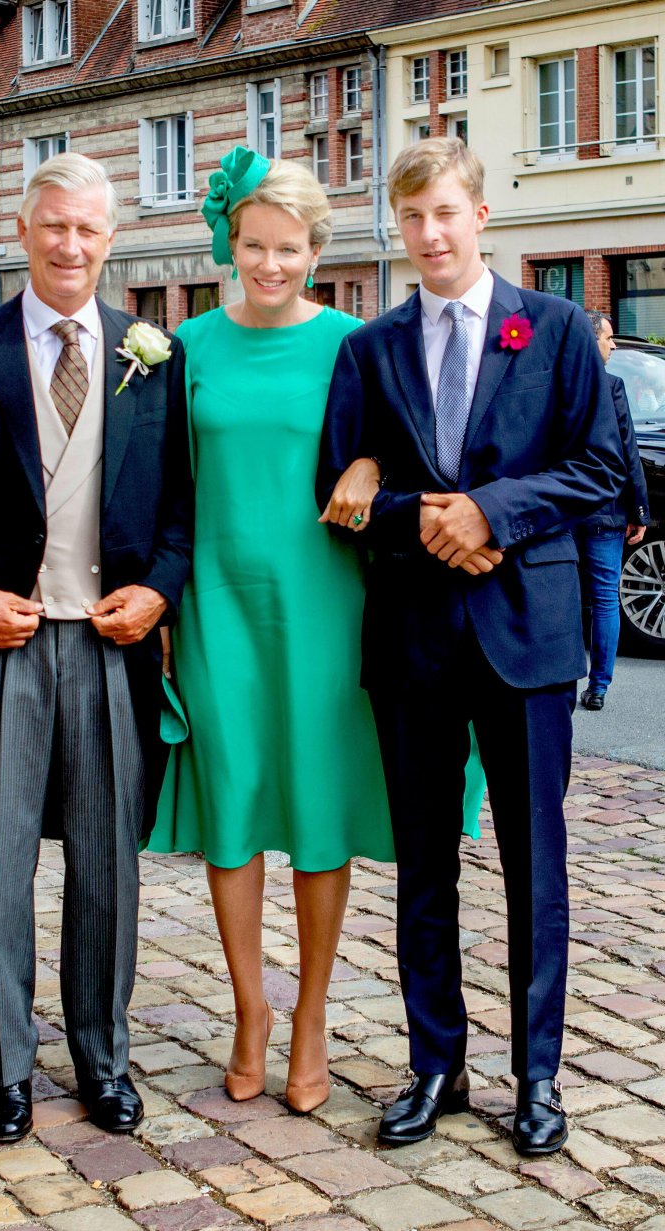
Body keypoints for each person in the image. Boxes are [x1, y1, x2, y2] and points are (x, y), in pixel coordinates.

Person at [148, 146, 484, 1115]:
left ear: (314, 249)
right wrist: (161, 601)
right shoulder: (187, 347)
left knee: (316, 808)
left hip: (326, 603)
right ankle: (251, 1009)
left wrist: (374, 465)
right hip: (216, 602)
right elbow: (161, 481)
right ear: (231, 244)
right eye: (254, 246)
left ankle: (311, 1016)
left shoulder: (357, 343)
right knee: (236, 807)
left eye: (288, 248)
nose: (269, 265)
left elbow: (409, 441)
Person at [318, 138, 622, 1156]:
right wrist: (425, 518)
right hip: (412, 640)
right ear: (397, 227)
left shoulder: (560, 331)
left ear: (481, 215)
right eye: (412, 219)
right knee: (422, 866)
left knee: (537, 867)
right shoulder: (370, 348)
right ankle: (434, 1065)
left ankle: (538, 1078)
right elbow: (344, 498)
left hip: (528, 639)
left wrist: (493, 511)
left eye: (445, 212)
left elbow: (602, 475)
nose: (430, 235)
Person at [0, 152, 192, 1143]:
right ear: (23, 231)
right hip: (3, 644)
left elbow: (183, 506)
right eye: (53, 226)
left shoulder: (153, 354)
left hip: (111, 644)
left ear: (113, 240)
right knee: (0, 864)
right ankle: (6, 1070)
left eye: (89, 230)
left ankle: (103, 1063)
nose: (71, 245)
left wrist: (158, 589)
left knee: (109, 864)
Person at [576, 311, 650, 711]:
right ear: (592, 340)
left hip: (562, 512)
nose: (613, 344)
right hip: (606, 511)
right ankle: (599, 686)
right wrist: (639, 510)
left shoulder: (555, 384)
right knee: (606, 598)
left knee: (566, 597)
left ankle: (564, 682)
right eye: (608, 338)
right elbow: (628, 451)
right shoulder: (611, 387)